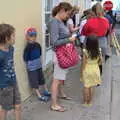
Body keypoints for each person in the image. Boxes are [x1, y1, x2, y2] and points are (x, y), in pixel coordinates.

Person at [49, 2, 78, 112]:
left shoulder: (60, 21)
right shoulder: (54, 22)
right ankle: (54, 104)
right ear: (61, 10)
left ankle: (61, 94)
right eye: (68, 13)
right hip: (59, 54)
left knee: (60, 77)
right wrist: (69, 40)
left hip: (62, 52)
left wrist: (69, 38)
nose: (68, 16)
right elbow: (54, 42)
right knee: (56, 79)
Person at [81, 2, 110, 75]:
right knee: (99, 62)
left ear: (93, 11)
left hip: (90, 43)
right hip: (102, 43)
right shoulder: (106, 21)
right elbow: (107, 32)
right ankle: (98, 77)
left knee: (90, 61)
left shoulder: (90, 21)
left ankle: (89, 77)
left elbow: (83, 32)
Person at [23, 27, 51, 102]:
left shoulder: (38, 45)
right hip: (32, 68)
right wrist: (28, 68)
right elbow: (25, 59)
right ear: (27, 37)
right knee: (34, 82)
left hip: (38, 66)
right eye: (31, 36)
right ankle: (39, 95)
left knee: (42, 79)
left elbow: (40, 54)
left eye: (35, 36)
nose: (33, 38)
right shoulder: (27, 48)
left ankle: (46, 90)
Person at [0, 24, 21, 120]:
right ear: (6, 38)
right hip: (4, 86)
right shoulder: (0, 54)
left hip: (13, 81)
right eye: (13, 36)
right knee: (5, 108)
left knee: (18, 105)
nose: (15, 38)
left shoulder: (11, 48)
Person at [80, 35, 102, 106]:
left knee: (86, 86)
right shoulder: (99, 50)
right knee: (92, 86)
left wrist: (81, 72)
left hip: (87, 69)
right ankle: (90, 102)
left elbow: (83, 63)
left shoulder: (85, 51)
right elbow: (100, 62)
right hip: (95, 69)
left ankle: (85, 102)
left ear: (87, 43)